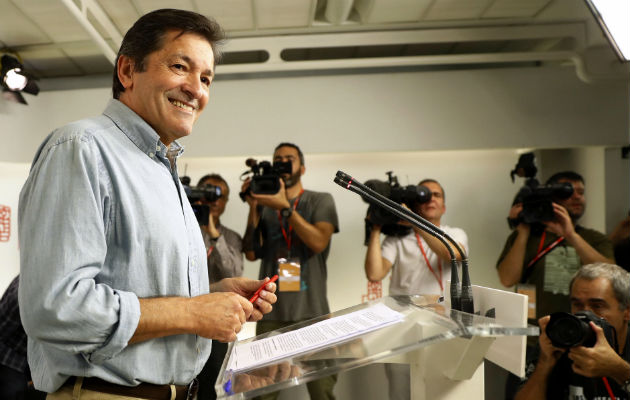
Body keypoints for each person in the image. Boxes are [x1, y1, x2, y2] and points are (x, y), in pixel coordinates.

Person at [18, 9, 277, 399]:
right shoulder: (82, 149)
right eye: (180, 67)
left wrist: (210, 296)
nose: (196, 89)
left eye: (206, 78)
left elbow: (134, 284)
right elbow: (56, 307)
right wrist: (194, 313)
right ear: (127, 71)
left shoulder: (161, 167)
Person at [242, 142, 339, 400]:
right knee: (263, 390)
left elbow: (318, 241)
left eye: (289, 159)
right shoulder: (264, 205)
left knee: (322, 390)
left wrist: (285, 207)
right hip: (271, 311)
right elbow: (251, 252)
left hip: (313, 312)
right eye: (278, 160)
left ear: (302, 167)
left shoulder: (320, 200)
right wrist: (254, 206)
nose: (283, 163)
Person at [363, 179, 468, 400]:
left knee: (443, 392)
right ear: (414, 203)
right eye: (425, 194)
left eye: (437, 195)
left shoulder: (455, 234)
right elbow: (374, 273)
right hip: (403, 329)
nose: (431, 198)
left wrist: (414, 221)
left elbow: (452, 254)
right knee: (401, 393)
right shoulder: (397, 240)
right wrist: (375, 228)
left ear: (444, 207)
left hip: (445, 325)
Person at [497, 171, 615, 321]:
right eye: (568, 192)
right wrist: (523, 231)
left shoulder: (594, 238)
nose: (577, 196)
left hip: (581, 327)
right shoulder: (524, 237)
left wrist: (571, 236)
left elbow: (609, 277)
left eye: (581, 192)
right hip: (534, 331)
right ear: (550, 196)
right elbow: (507, 280)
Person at [514, 263, 630, 400]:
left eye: (597, 306)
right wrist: (545, 363)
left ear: (627, 312)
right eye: (577, 305)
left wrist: (619, 370)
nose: (586, 313)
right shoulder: (559, 340)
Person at [194, 173, 245, 400]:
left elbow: (233, 275)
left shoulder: (232, 237)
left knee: (212, 389)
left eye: (219, 196)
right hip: (180, 320)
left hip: (218, 326)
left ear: (225, 203)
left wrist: (214, 233)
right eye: (207, 192)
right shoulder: (178, 229)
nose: (213, 200)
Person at [0, 275, 45, 400]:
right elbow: (4, 323)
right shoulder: (33, 281)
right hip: (10, 362)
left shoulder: (27, 276)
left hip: (17, 364)